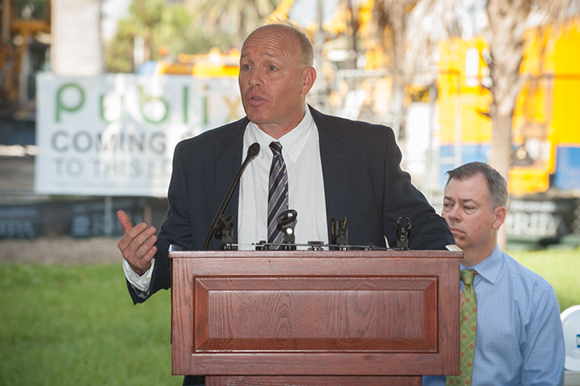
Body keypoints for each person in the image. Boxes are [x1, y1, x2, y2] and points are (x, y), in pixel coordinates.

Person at [117, 22, 454, 385]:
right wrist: (143, 264)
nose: (253, 80)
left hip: (349, 352)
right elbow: (180, 247)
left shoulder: (366, 149)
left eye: (270, 68)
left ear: (306, 80)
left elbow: (419, 224)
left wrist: (452, 271)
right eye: (246, 67)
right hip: (230, 359)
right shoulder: (199, 157)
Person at [423, 162, 565, 386]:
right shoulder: (421, 285)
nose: (452, 215)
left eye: (467, 207)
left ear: (498, 217)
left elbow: (543, 380)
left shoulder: (536, 295)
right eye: (448, 204)